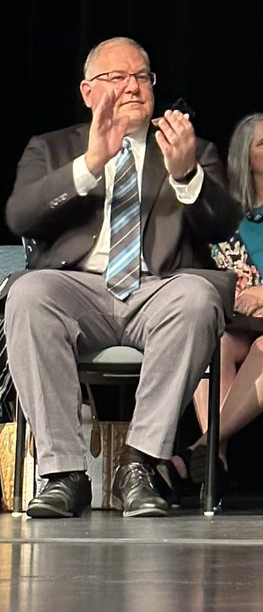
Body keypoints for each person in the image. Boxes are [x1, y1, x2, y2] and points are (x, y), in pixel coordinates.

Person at [2, 36, 240, 518]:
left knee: (196, 297)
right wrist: (90, 164)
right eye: (117, 78)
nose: (132, 87)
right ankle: (64, 474)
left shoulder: (187, 146)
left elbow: (222, 223)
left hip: (157, 289)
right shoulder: (51, 149)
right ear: (89, 93)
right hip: (78, 290)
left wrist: (186, 175)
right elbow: (20, 217)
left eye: (141, 77)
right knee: (28, 293)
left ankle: (140, 465)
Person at [160, 113, 263, 496]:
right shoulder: (223, 208)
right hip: (236, 316)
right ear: (243, 156)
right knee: (211, 345)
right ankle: (215, 460)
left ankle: (201, 449)